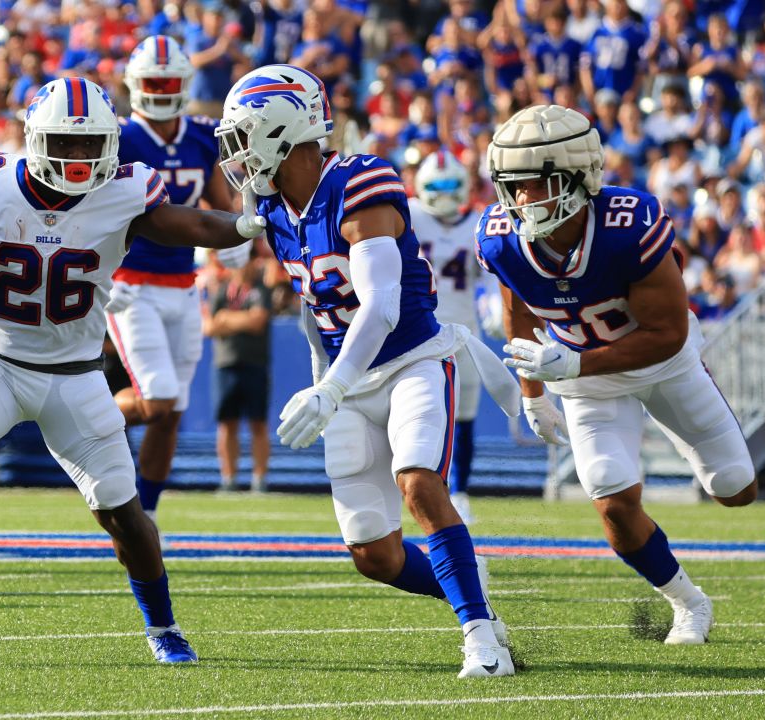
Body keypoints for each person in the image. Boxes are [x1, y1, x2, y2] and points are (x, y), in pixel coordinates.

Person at [0, 77, 266, 665]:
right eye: (67, 142)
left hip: (77, 374)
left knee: (125, 516)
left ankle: (162, 626)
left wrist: (249, 224)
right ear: (35, 138)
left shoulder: (127, 190)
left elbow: (190, 226)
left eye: (92, 145)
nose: (81, 158)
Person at [218, 64, 522, 678]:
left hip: (413, 360)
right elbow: (314, 305)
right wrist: (320, 373)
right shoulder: (277, 209)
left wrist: (330, 387)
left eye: (244, 135)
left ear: (281, 129)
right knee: (374, 556)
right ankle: (473, 596)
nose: (237, 153)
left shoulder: (359, 182)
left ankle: (481, 642)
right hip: (349, 381)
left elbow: (381, 306)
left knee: (420, 484)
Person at [478, 104, 758, 646]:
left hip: (664, 366)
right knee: (611, 498)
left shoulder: (629, 225)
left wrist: (576, 361)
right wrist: (533, 394)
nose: (521, 201)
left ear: (578, 178)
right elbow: (516, 314)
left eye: (535, 185)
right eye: (512, 187)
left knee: (735, 489)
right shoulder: (501, 238)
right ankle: (688, 602)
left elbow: (668, 332)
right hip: (585, 382)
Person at [105, 36, 250, 540]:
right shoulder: (120, 138)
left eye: (169, 83)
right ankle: (86, 411)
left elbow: (217, 202)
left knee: (172, 414)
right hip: (132, 285)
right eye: (154, 83)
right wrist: (101, 274)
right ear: (135, 86)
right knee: (159, 398)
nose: (162, 92)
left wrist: (234, 233)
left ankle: (146, 513)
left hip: (184, 286)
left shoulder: (201, 136)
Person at [408, 150, 488, 524]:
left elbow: (490, 279)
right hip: (417, 331)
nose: (442, 193)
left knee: (463, 417)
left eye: (450, 185)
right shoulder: (408, 214)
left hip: (463, 331)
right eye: (436, 186)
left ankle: (460, 490)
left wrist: (493, 308)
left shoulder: (478, 222)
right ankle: (420, 487)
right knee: (416, 413)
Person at [204, 253, 273, 492]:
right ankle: (229, 478)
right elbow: (209, 326)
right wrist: (240, 319)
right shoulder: (222, 291)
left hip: (255, 363)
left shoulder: (261, 290)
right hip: (225, 365)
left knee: (258, 423)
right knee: (227, 424)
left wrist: (226, 319)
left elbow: (258, 322)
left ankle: (259, 480)